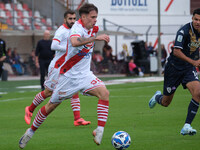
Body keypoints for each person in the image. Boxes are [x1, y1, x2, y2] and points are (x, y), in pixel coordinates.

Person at [19, 3, 110, 149]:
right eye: (93, 17)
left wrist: (95, 37)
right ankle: (30, 132)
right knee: (50, 106)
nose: (95, 20)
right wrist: (95, 39)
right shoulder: (76, 29)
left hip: (85, 75)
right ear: (84, 17)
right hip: (68, 76)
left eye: (96, 17)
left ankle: (99, 130)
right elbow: (74, 42)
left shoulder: (93, 28)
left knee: (104, 93)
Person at [24, 10, 90, 127]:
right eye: (70, 19)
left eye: (74, 18)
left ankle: (77, 118)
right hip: (57, 66)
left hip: (68, 67)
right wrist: (69, 48)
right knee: (48, 92)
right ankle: (30, 109)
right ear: (65, 19)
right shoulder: (62, 31)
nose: (72, 21)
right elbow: (53, 46)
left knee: (74, 90)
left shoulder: (74, 30)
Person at [149, 8, 200, 136]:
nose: (198, 22)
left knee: (198, 93)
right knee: (166, 102)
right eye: (196, 19)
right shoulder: (183, 31)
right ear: (192, 19)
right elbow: (176, 51)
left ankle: (186, 126)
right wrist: (193, 61)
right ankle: (157, 97)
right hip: (174, 68)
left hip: (188, 69)